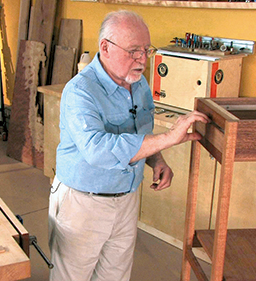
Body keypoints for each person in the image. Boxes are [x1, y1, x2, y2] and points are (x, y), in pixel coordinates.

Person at [48, 10, 210, 281]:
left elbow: (140, 131)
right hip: (82, 202)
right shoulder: (80, 91)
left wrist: (157, 160)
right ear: (105, 47)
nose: (143, 60)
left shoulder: (139, 84)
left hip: (126, 199)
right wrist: (169, 138)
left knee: (115, 277)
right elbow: (97, 150)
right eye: (134, 51)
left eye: (146, 50)